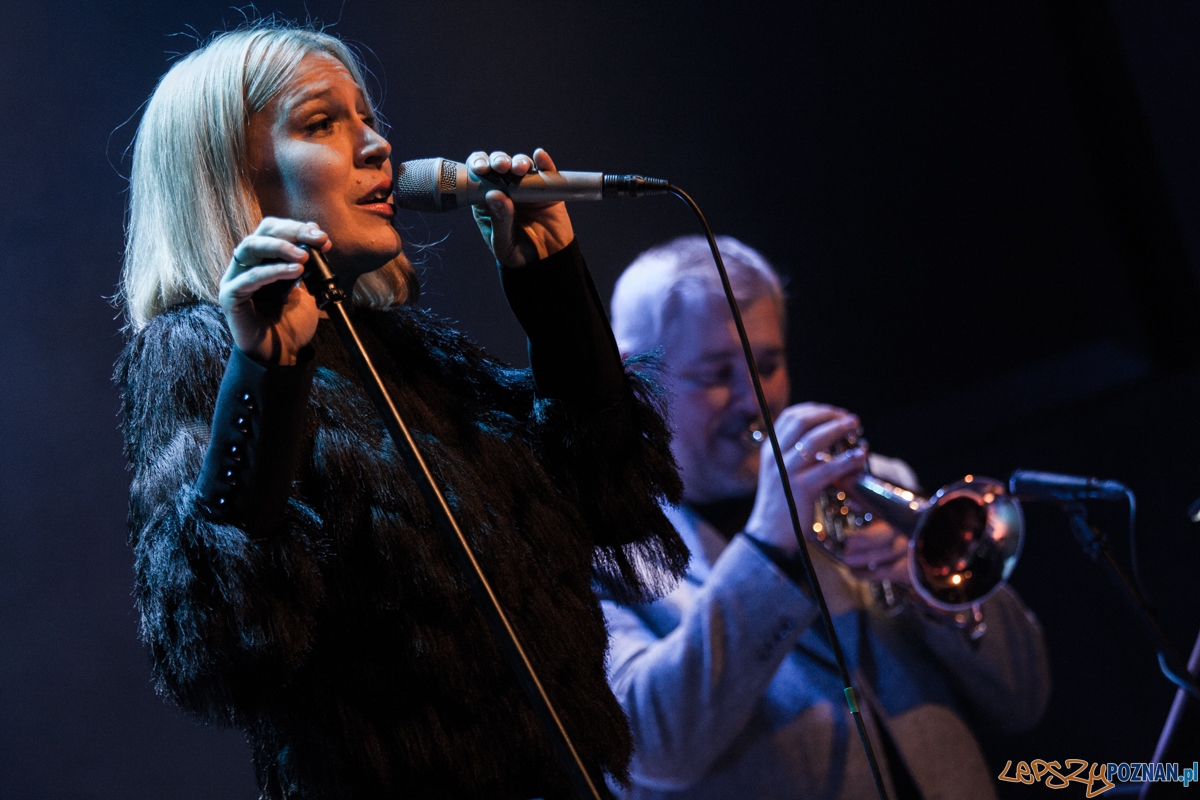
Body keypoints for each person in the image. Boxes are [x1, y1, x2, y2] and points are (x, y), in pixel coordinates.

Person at [113, 24, 690, 799]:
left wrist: (555, 295)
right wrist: (266, 375)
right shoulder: (198, 348)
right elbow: (217, 636)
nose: (378, 145)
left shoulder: (399, 347)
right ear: (233, 181)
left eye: (367, 116)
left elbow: (605, 501)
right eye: (323, 123)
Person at [603, 235, 1051, 799]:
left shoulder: (877, 487)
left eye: (767, 366)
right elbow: (649, 749)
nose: (754, 401)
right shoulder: (600, 553)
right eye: (718, 375)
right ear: (631, 378)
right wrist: (766, 545)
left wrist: (938, 599)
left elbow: (1024, 696)